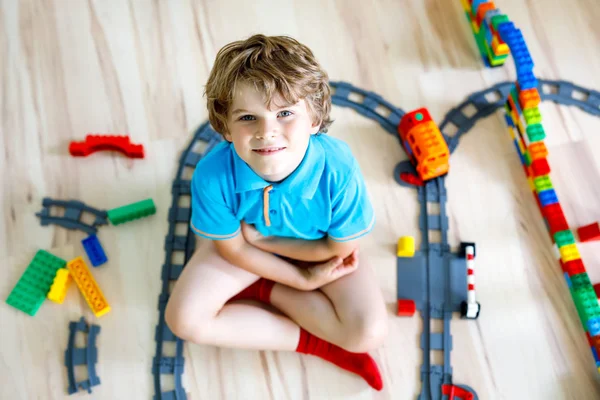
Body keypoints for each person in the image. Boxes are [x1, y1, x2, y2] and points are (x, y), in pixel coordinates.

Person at [165, 34, 388, 391]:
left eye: (285, 114)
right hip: (245, 249)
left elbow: (339, 249)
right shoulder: (212, 175)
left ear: (314, 118)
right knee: (184, 320)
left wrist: (266, 244)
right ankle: (311, 338)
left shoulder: (338, 167)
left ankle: (265, 289)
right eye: (248, 117)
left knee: (367, 333)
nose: (267, 132)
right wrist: (299, 281)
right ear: (225, 126)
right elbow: (232, 248)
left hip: (309, 248)